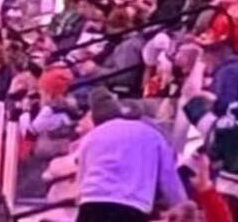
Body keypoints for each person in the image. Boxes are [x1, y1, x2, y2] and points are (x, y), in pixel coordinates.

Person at [77, 87, 186, 222]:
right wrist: (182, 206)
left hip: (91, 204)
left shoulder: (91, 137)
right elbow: (168, 178)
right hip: (131, 205)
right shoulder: (152, 134)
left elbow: (81, 182)